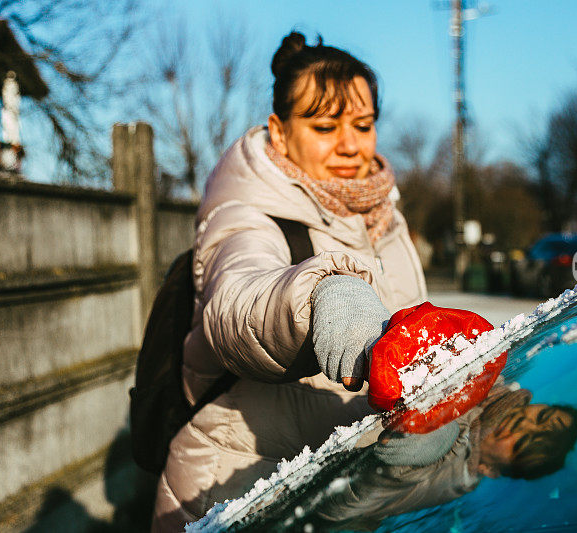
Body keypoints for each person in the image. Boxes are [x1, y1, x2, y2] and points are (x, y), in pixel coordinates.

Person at [151, 31, 427, 531]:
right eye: (325, 126)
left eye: (363, 125)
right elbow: (234, 305)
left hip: (343, 493)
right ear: (279, 132)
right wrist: (325, 293)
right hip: (239, 492)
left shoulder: (384, 217)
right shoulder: (246, 212)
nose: (350, 145)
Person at [311, 386, 577, 530]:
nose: (524, 424)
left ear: (489, 470)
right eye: (543, 418)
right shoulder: (490, 374)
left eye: (522, 443)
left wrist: (418, 453)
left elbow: (339, 506)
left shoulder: (451, 475)